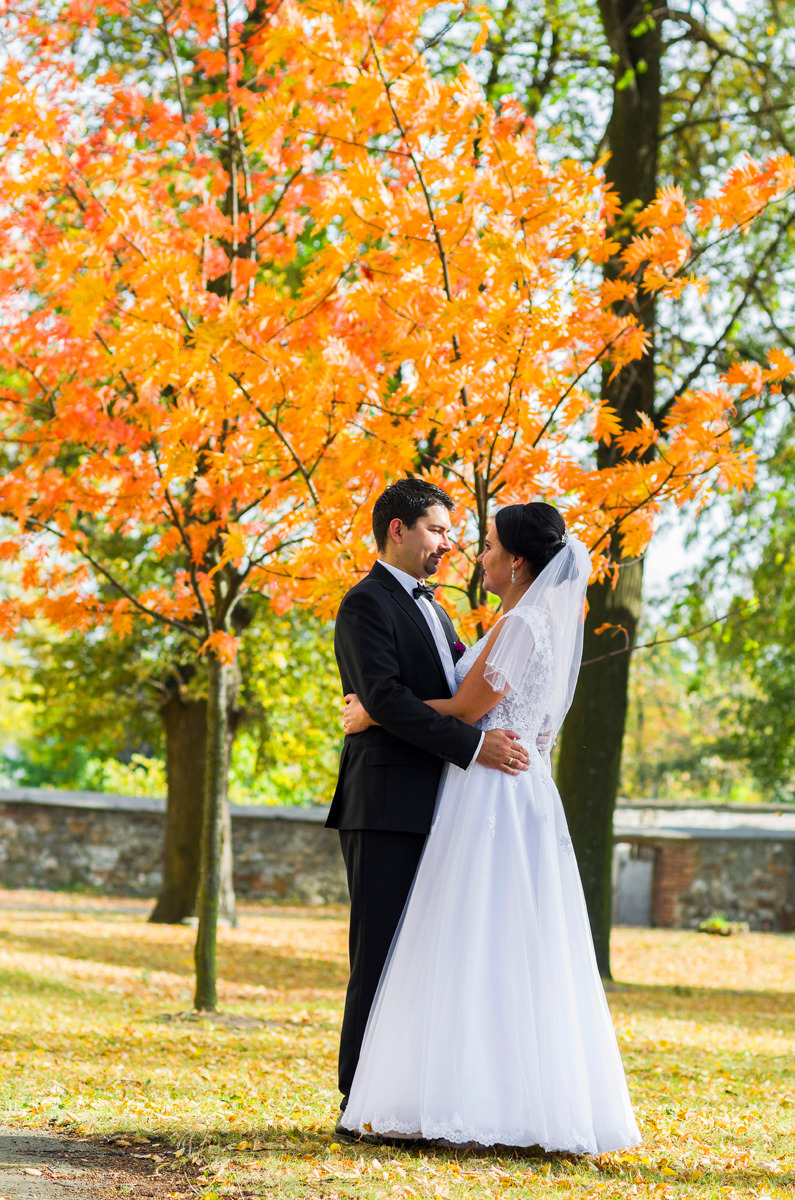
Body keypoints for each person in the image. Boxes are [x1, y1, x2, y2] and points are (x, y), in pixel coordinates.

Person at [338, 502, 641, 1154]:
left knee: (476, 942)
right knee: (497, 945)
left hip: (491, 796)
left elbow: (466, 706)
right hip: (502, 792)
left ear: (517, 561)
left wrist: (372, 714)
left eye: (487, 546)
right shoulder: (520, 621)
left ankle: (466, 1100)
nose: (475, 554)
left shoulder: (521, 624)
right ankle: (482, 1094)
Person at [327, 479, 532, 1135]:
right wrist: (473, 747)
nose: (450, 544)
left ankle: (405, 1100)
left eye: (448, 532)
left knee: (420, 959)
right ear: (397, 530)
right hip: (384, 804)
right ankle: (353, 1103)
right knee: (379, 957)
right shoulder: (364, 605)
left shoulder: (436, 609)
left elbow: (443, 692)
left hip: (440, 807)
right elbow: (383, 699)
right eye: (438, 530)